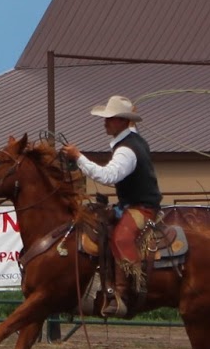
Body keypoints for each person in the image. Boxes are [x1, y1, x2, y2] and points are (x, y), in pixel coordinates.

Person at [60, 95, 162, 317]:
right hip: (131, 204)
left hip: (141, 208)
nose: (105, 122)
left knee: (120, 238)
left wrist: (78, 157)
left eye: (110, 118)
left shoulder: (127, 150)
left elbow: (108, 176)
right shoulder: (132, 141)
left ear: (123, 121)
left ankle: (122, 294)